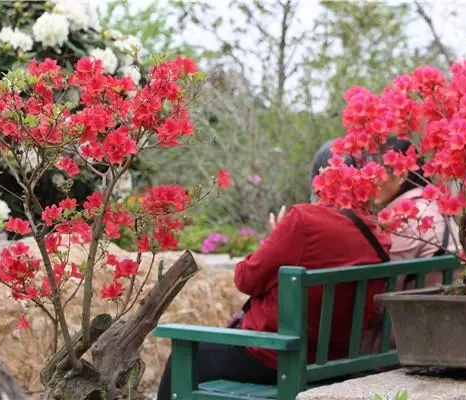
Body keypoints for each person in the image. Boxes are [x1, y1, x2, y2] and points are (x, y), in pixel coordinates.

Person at [157, 154, 389, 398]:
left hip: (278, 358)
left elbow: (245, 279)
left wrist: (276, 236)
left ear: (318, 181)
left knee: (182, 357)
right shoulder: (378, 231)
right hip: (339, 359)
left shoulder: (304, 221)